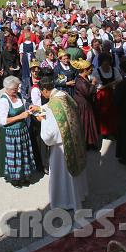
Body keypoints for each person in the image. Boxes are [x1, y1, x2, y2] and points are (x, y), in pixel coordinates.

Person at [38, 76, 88, 210]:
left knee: (65, 175)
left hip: (62, 148)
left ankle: (67, 201)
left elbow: (50, 135)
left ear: (44, 90)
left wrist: (42, 119)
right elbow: (67, 109)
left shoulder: (52, 106)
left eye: (41, 92)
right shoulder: (63, 95)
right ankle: (80, 195)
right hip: (75, 139)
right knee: (76, 175)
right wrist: (40, 108)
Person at [0, 76, 37, 187]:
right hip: (12, 133)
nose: (17, 90)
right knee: (14, 156)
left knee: (23, 154)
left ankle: (24, 176)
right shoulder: (3, 101)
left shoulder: (18, 96)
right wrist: (20, 116)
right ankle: (15, 179)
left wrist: (29, 109)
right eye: (14, 89)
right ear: (7, 89)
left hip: (22, 130)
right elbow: (4, 121)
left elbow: (23, 110)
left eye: (17, 88)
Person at [93, 52, 122, 139]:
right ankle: (104, 132)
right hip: (102, 97)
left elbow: (119, 79)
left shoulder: (114, 70)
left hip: (112, 95)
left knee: (113, 114)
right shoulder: (96, 72)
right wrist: (111, 84)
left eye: (108, 62)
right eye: (104, 63)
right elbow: (98, 86)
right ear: (101, 63)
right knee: (103, 114)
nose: (106, 65)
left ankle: (113, 131)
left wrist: (113, 85)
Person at [72, 59, 99, 150]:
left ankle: (90, 142)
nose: (91, 70)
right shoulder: (80, 81)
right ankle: (85, 143)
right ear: (84, 70)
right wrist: (93, 84)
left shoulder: (85, 78)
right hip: (83, 106)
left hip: (87, 105)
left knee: (89, 124)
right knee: (85, 124)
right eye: (89, 69)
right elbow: (87, 92)